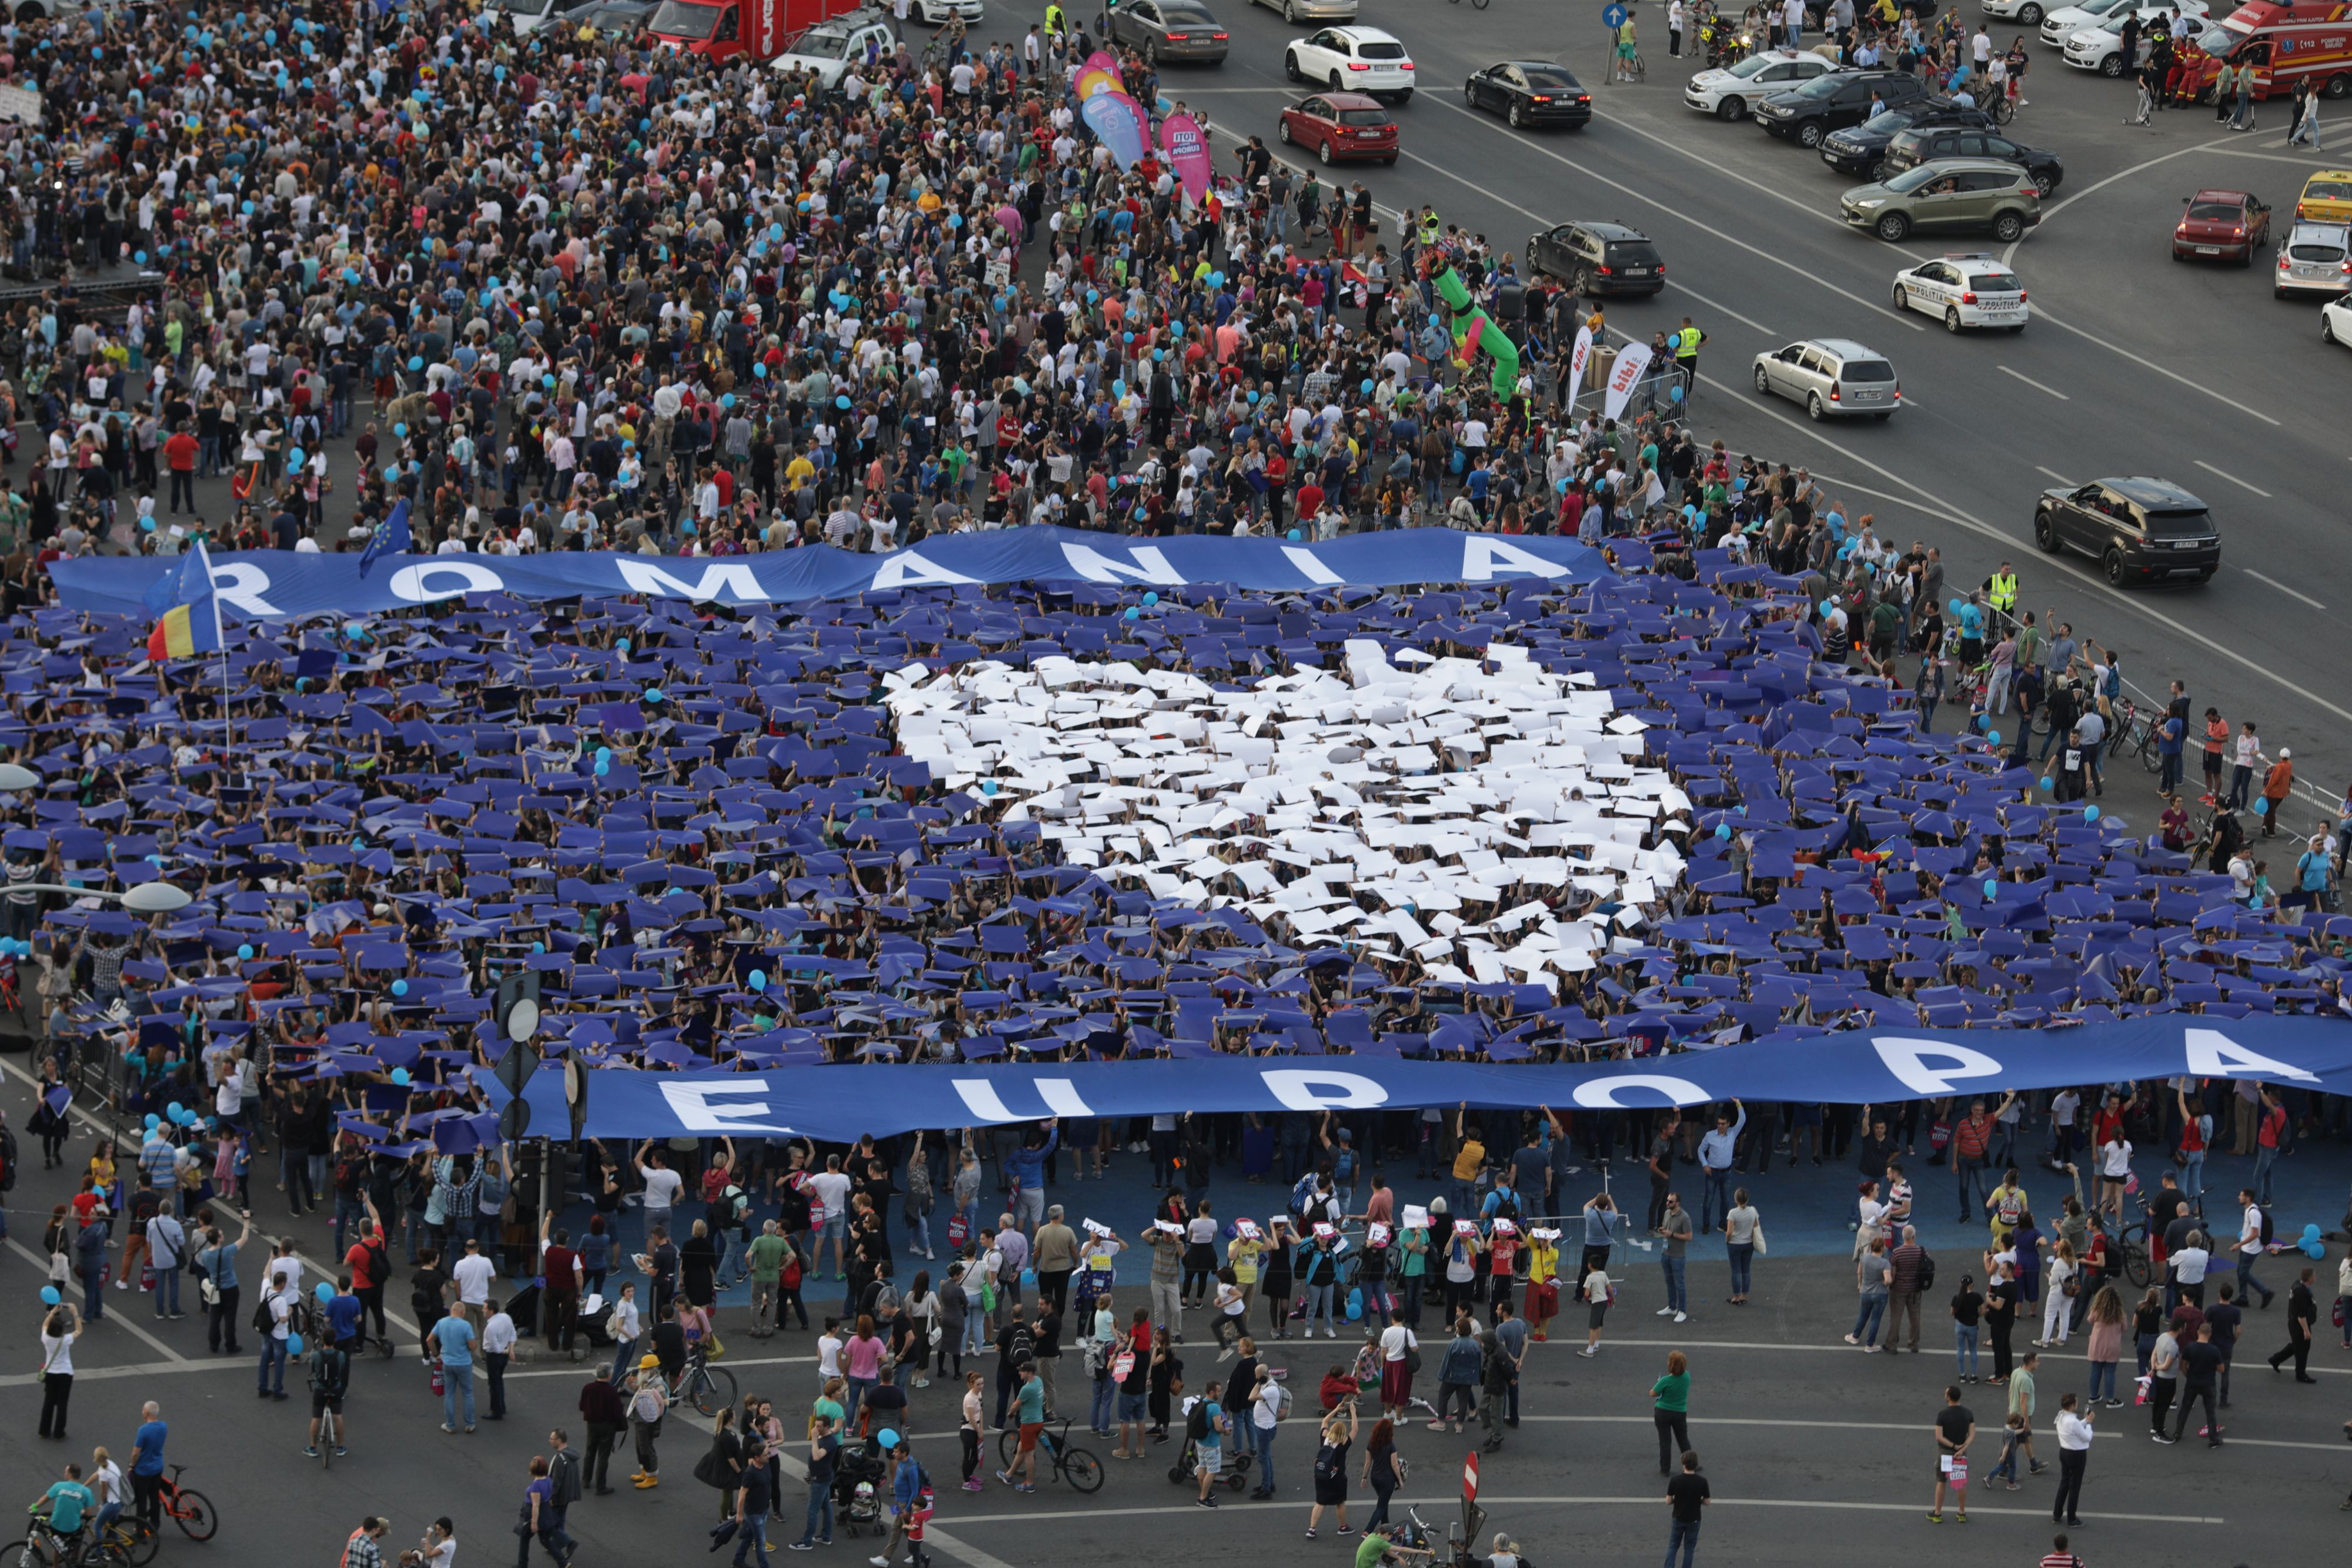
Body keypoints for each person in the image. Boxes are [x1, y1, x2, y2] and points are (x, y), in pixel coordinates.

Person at [2167, 1320, 2224, 1447]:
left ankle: (2178, 1433)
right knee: (2210, 1412)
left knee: (2185, 1409)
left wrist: (2189, 1375)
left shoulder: (2190, 1347)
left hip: (2192, 1382)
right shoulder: (2214, 1350)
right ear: (2210, 1334)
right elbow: (2221, 1369)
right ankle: (2213, 1439)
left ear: (2198, 1333)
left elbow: (2183, 1365)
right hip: (2209, 1384)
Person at [1306, 1403, 1356, 1539]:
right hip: (1337, 1477)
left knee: (1320, 1502)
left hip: (1321, 1474)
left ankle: (1312, 1529)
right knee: (1340, 1502)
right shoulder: (1343, 1444)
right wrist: (1353, 1412)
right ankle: (1343, 1527)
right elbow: (1355, 1429)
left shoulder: (1324, 1438)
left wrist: (1336, 1409)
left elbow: (1325, 1421)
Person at [1928, 1385, 1975, 1523]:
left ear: (1949, 1397)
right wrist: (1962, 1448)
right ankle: (1961, 1512)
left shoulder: (1943, 1414)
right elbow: (1972, 1434)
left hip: (1945, 1453)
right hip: (1960, 1454)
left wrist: (1953, 1446)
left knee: (1941, 1481)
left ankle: (1937, 1513)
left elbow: (1939, 1437)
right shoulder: (1968, 1412)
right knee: (1959, 1483)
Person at [793, 1415, 840, 1549]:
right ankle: (826, 1536)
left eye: (819, 1426)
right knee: (826, 1506)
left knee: (812, 1510)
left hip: (821, 1480)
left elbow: (817, 1456)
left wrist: (814, 1439)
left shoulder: (830, 1441)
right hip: (821, 1477)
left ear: (827, 1427)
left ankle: (807, 1541)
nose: (816, 1428)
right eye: (816, 1425)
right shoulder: (822, 1435)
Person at [2268, 1265, 2321, 1382]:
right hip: (2300, 1325)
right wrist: (2306, 1331)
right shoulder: (2301, 1292)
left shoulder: (2297, 1285)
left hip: (2295, 1323)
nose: (2316, 1277)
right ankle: (2301, 1375)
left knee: (2297, 1346)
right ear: (2310, 1278)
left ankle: (2276, 1359)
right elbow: (2301, 1315)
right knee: (2303, 1349)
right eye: (2314, 1275)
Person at [306, 1330, 353, 1458]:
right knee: (337, 1416)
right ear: (335, 1340)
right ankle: (340, 1447)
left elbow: (313, 1369)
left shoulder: (316, 1355)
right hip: (336, 1389)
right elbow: (343, 1367)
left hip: (321, 1389)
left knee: (316, 1417)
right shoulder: (341, 1355)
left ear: (322, 1340)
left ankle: (313, 1447)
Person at [2049, 1392, 2093, 1527]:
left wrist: (2085, 1421)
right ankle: (2072, 1518)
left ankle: (2057, 1514)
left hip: (2064, 1452)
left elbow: (2075, 1428)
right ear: (2072, 1406)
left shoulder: (2061, 1417)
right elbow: (2087, 1437)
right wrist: (2089, 1424)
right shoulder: (2073, 1421)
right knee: (2075, 1487)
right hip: (2077, 1455)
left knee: (2065, 1483)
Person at [38, 1301, 78, 1440]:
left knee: (48, 1402)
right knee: (62, 1404)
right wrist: (75, 1314)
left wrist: (53, 1312)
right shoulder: (66, 1340)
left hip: (50, 1374)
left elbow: (44, 1325)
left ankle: (44, 1431)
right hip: (65, 1374)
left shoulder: (46, 1338)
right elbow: (79, 1331)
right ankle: (59, 1433)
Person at [630, 1352, 670, 1487]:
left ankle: (652, 1477)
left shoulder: (658, 1384)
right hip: (640, 1419)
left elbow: (665, 1403)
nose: (641, 1371)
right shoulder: (647, 1380)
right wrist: (633, 1386)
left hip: (648, 1421)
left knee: (647, 1448)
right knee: (640, 1446)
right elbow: (640, 1391)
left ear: (652, 1369)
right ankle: (645, 1472)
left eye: (644, 1369)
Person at [1664, 1449, 1709, 1568]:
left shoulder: (1675, 1480)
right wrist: (1698, 1500)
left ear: (1683, 1464)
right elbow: (1707, 1501)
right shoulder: (1702, 1481)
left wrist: (1676, 1499)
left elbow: (1668, 1501)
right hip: (1694, 1520)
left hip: (1678, 1518)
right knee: (1689, 1549)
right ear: (1696, 1464)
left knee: (1673, 1545)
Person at [1651, 1350, 1692, 1477]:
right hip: (1679, 1413)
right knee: (1683, 1439)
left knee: (1665, 1442)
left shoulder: (1665, 1381)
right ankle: (1690, 1464)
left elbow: (1653, 1393)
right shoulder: (1687, 1377)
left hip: (1663, 1412)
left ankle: (1665, 1469)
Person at [1653, 1192, 1692, 1324]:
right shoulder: (1666, 1213)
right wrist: (1663, 1230)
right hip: (1666, 1253)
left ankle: (1682, 1310)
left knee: (1679, 1284)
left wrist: (1672, 1234)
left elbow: (1689, 1237)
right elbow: (1667, 1228)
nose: (1668, 1203)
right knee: (1669, 1281)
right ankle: (1672, 1307)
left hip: (1678, 1255)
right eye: (1668, 1201)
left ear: (1678, 1203)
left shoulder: (1684, 1218)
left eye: (1671, 1202)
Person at [1722, 1191, 1759, 1308]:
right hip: (1748, 1243)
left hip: (1735, 1244)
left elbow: (1729, 1232)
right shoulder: (1753, 1211)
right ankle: (1744, 1295)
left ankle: (1736, 1296)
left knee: (1736, 1270)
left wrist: (1728, 1240)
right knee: (1746, 1270)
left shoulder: (1733, 1213)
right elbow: (1756, 1226)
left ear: (1736, 1200)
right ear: (1747, 1200)